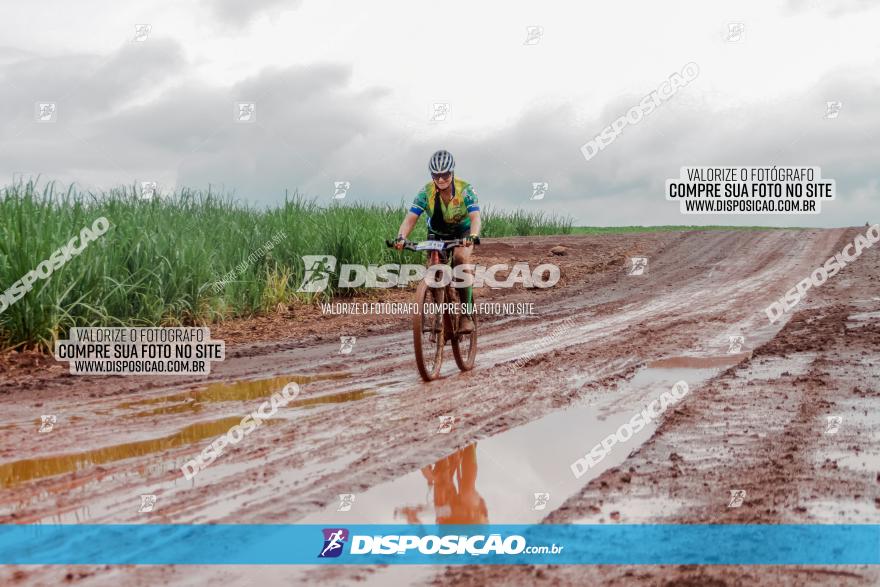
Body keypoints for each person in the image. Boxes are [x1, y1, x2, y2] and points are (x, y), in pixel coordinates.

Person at [394, 150, 481, 334]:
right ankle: (440, 310)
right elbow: (410, 219)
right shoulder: (425, 193)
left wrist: (472, 236)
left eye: (445, 174)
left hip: (462, 232)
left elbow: (475, 218)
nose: (441, 179)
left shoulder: (465, 190)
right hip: (437, 234)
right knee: (432, 271)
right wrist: (401, 237)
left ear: (452, 173)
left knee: (459, 259)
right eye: (436, 175)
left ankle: (466, 314)